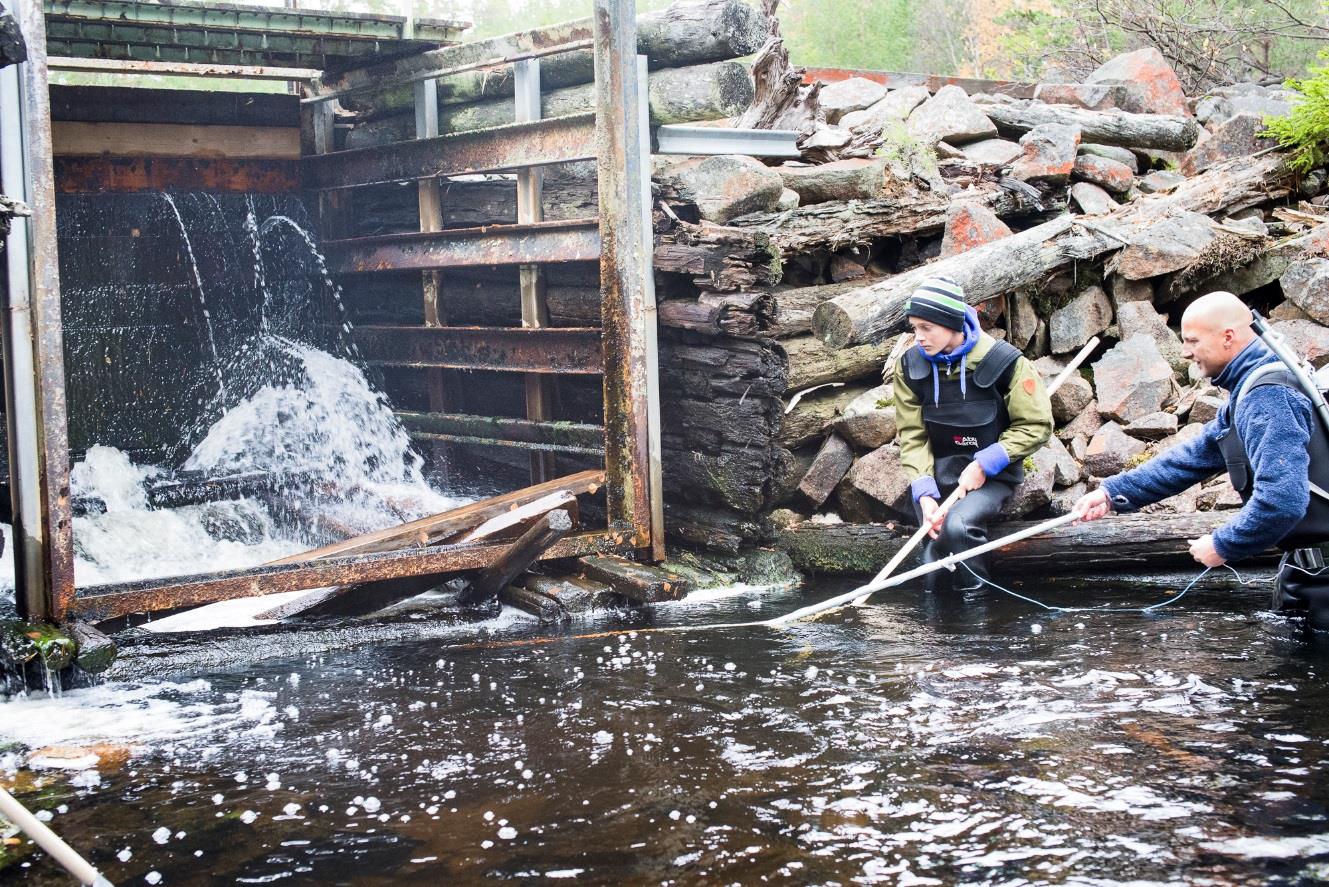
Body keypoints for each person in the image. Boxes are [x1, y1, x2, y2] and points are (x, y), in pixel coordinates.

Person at [1074, 290, 1329, 627]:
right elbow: (1193, 457)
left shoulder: (1269, 395)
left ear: (1228, 337)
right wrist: (1112, 494)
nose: (1184, 351)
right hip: (1308, 572)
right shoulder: (1253, 387)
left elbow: (1283, 501)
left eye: (1192, 340)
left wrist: (1223, 545)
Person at [893, 275, 1053, 591]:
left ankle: (977, 607)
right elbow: (912, 435)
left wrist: (985, 463)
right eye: (914, 328)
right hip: (938, 476)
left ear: (952, 323)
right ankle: (934, 625)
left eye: (927, 328)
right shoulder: (910, 366)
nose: (919, 337)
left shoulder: (1004, 361)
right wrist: (924, 492)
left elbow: (1036, 425)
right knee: (931, 547)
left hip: (993, 477)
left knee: (957, 527)